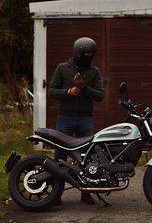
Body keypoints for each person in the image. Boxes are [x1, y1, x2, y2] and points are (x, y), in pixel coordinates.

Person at [48, 37, 105, 205]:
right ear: (78, 53)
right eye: (87, 54)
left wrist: (84, 87)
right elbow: (52, 90)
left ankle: (85, 192)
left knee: (86, 156)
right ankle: (56, 194)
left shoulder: (94, 72)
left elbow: (101, 95)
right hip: (64, 118)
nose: (89, 57)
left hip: (85, 119)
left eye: (92, 54)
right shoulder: (62, 68)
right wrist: (68, 92)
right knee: (60, 156)